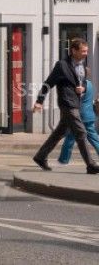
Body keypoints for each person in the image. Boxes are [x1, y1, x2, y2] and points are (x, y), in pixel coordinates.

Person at [32, 38, 99, 173]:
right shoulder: (62, 65)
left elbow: (83, 82)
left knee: (59, 133)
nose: (86, 54)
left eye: (86, 51)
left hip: (76, 103)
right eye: (83, 51)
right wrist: (39, 101)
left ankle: (40, 156)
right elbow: (48, 83)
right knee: (81, 132)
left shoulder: (82, 65)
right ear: (73, 51)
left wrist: (83, 88)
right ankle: (90, 165)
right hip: (67, 103)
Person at [58, 75, 99, 164]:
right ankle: (63, 159)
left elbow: (76, 97)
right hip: (89, 115)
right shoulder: (90, 84)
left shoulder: (79, 86)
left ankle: (63, 160)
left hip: (79, 116)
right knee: (94, 138)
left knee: (70, 138)